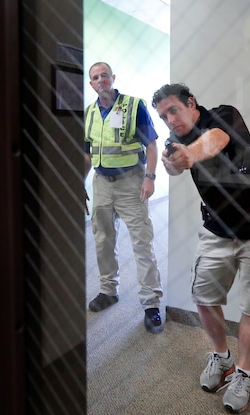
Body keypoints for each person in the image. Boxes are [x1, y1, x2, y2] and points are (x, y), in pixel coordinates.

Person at [151, 83, 250, 412]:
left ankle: (243, 372)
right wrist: (172, 163)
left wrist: (191, 154)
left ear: (192, 103)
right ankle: (221, 356)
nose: (169, 119)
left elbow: (217, 140)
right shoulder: (175, 141)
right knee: (203, 297)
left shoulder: (224, 115)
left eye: (173, 110)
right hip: (217, 228)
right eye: (162, 116)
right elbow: (173, 165)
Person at [84, 62, 164, 334]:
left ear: (112, 78)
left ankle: (151, 305)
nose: (100, 80)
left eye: (104, 75)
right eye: (95, 77)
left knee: (142, 241)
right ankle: (109, 290)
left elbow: (151, 144)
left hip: (132, 182)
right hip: (102, 183)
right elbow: (88, 152)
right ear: (91, 84)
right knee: (103, 238)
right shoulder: (90, 112)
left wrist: (150, 177)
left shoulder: (132, 106)